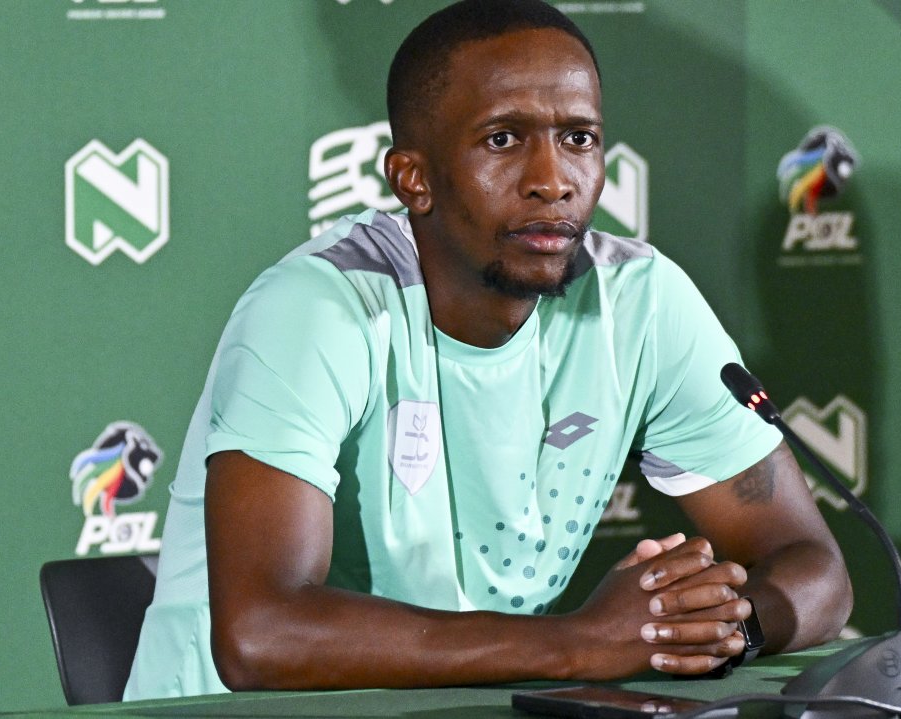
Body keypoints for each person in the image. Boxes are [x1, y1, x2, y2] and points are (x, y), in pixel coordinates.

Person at [124, 0, 850, 700]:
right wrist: (579, 644)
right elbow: (261, 636)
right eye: (503, 140)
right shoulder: (322, 307)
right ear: (414, 179)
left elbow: (811, 565)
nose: (552, 181)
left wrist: (717, 629)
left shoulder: (642, 301)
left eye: (579, 138)